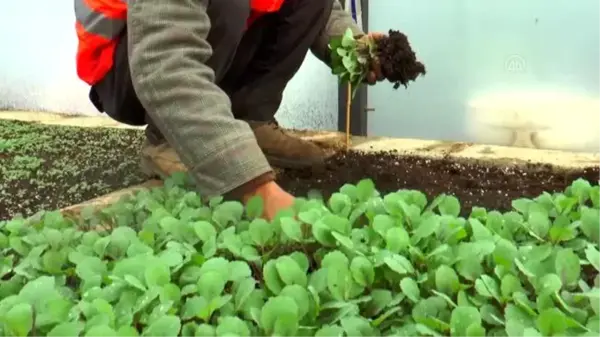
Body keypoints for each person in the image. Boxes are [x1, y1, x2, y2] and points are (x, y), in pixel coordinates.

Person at [74, 0, 384, 220]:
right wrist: (253, 188)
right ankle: (165, 138)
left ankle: (250, 121)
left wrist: (354, 47)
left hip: (179, 45)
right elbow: (163, 62)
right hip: (125, 62)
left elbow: (320, 11)